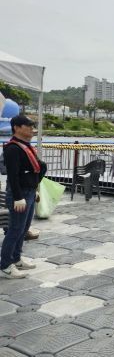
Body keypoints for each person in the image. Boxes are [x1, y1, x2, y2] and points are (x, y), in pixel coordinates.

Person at [1, 115, 47, 279]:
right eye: (28, 126)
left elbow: (37, 168)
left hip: (29, 192)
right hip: (19, 194)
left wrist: (34, 188)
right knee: (15, 229)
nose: (32, 129)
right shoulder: (12, 148)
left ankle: (16, 258)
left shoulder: (25, 146)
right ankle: (5, 265)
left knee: (23, 229)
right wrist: (18, 197)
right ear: (17, 128)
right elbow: (13, 176)